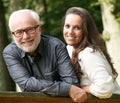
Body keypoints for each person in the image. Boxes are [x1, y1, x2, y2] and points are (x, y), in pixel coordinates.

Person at [2, 9, 87, 103]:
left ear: (39, 29)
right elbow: (26, 83)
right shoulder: (10, 52)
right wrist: (67, 89)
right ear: (13, 35)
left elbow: (72, 83)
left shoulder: (56, 46)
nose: (25, 36)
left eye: (30, 30)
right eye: (19, 32)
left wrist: (67, 88)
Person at [63, 7, 120, 99]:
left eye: (77, 28)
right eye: (67, 26)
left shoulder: (89, 54)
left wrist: (83, 88)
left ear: (86, 31)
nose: (70, 32)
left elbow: (105, 88)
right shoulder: (69, 49)